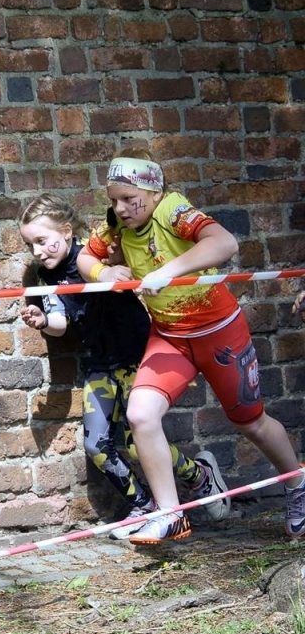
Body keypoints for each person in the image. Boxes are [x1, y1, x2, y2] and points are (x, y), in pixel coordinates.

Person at [79, 150, 305, 544]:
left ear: (152, 192)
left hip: (219, 333)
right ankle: (171, 515)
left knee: (251, 422)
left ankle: (297, 485)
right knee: (141, 415)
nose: (119, 208)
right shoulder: (117, 223)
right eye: (113, 200)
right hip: (169, 337)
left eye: (128, 199)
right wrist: (105, 270)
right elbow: (84, 256)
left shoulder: (173, 210)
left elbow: (224, 242)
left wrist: (168, 271)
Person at [17, 194, 225, 541]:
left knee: (132, 443)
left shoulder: (93, 255)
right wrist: (41, 320)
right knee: (97, 446)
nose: (38, 251)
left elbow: (127, 267)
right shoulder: (42, 277)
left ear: (66, 231)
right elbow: (62, 322)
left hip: (133, 354)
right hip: (99, 363)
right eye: (30, 244)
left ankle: (196, 475)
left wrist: (113, 264)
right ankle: (143, 504)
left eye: (42, 240)